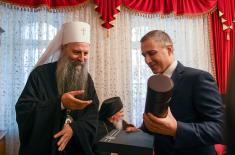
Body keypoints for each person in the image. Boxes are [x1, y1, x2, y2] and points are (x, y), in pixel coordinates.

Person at [15, 21, 99, 155]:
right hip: (46, 148)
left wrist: (74, 129)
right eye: (77, 52)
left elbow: (92, 114)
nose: (82, 59)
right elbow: (24, 111)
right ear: (63, 49)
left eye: (86, 53)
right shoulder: (39, 75)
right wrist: (60, 103)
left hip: (75, 148)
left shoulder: (86, 79)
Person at [140, 30, 224, 155]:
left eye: (152, 53)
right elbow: (159, 120)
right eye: (144, 55)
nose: (147, 60)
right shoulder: (155, 82)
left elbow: (220, 129)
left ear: (169, 49)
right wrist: (141, 130)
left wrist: (177, 129)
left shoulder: (198, 78)